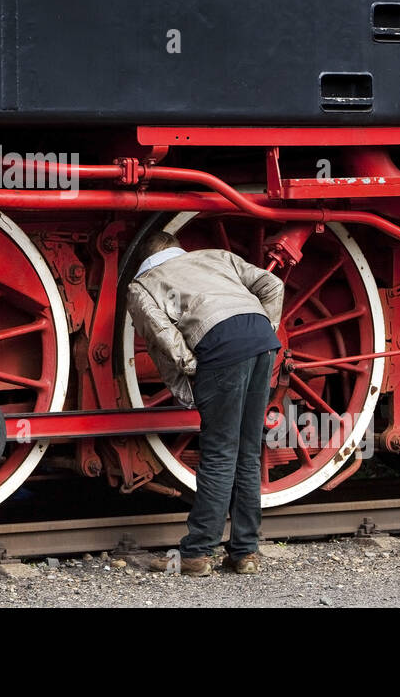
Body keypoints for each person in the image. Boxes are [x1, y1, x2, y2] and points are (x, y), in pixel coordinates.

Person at [126, 230, 284, 577]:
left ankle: (196, 554)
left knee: (219, 453)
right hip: (262, 340)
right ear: (177, 249)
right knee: (247, 450)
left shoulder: (143, 285)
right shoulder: (214, 255)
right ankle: (245, 553)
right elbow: (272, 285)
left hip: (220, 349)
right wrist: (265, 331)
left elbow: (163, 336)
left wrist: (190, 365)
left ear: (144, 259)